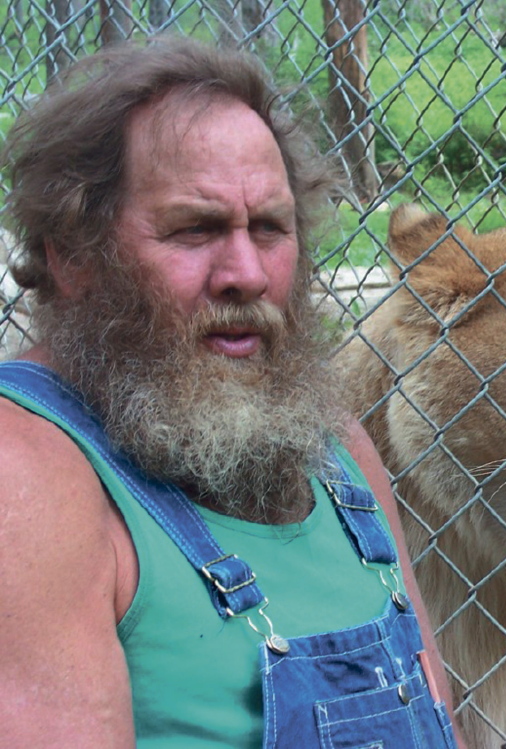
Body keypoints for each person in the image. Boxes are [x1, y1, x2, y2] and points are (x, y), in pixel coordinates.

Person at [0, 36, 462, 749]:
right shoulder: (24, 473)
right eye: (196, 229)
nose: (245, 272)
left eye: (270, 228)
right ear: (72, 255)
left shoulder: (337, 449)